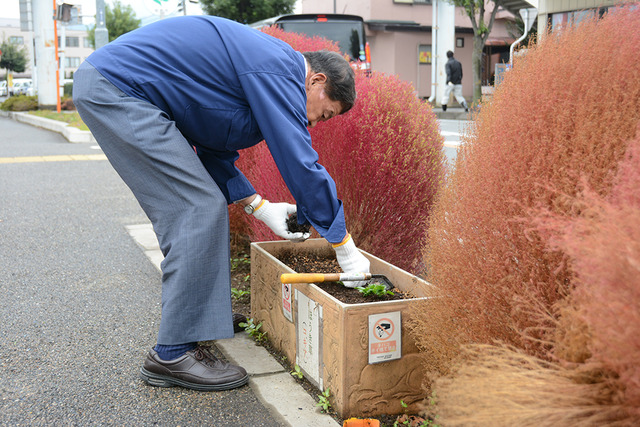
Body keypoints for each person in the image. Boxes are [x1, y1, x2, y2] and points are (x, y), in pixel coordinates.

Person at [73, 15, 370, 392]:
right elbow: (299, 160)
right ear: (317, 80)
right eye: (324, 113)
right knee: (195, 208)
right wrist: (341, 243)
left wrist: (257, 206)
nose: (315, 123)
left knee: (202, 204)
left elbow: (212, 141)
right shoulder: (280, 68)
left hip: (123, 89)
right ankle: (172, 353)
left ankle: (197, 317)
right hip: (118, 90)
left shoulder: (269, 68)